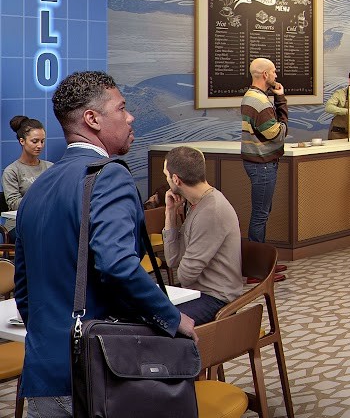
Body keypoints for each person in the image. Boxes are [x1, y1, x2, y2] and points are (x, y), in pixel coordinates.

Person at [15, 71, 195, 418]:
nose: (131, 117)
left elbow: (24, 291)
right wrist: (172, 318)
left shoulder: (37, 189)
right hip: (100, 373)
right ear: (92, 119)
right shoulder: (109, 175)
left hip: (44, 374)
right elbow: (116, 264)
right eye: (122, 108)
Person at [161, 145, 243, 325]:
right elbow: (172, 260)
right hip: (195, 293)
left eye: (166, 175)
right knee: (143, 313)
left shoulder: (211, 211)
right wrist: (170, 213)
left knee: (159, 323)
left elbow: (185, 276)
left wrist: (184, 261)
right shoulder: (195, 204)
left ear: (176, 179)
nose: (166, 180)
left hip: (216, 298)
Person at [241, 57, 288, 243]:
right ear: (265, 74)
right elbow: (277, 134)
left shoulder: (251, 96)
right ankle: (257, 259)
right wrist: (281, 101)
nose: (276, 75)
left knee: (262, 212)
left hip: (257, 163)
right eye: (274, 71)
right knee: (260, 215)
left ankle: (259, 256)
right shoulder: (260, 101)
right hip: (263, 165)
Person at [3, 115, 51, 211]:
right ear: (22, 141)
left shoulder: (50, 167)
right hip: (21, 218)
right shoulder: (12, 171)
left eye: (42, 141)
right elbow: (14, 204)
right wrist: (42, 197)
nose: (40, 145)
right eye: (35, 141)